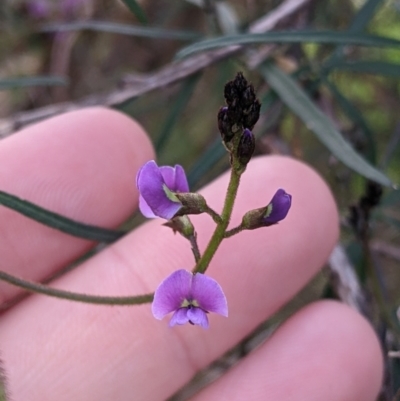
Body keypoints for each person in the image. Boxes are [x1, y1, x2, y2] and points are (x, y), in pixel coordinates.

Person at [0, 108, 383, 400]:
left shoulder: (192, 277)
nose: (190, 314)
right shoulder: (191, 246)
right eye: (191, 311)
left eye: (190, 311)